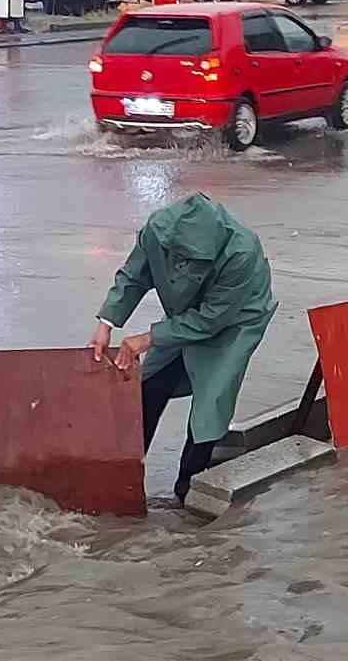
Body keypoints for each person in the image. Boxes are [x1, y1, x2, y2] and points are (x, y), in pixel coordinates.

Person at [88, 193, 276, 502]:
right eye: (175, 255)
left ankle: (189, 490)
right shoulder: (156, 232)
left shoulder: (241, 252)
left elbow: (210, 320)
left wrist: (148, 338)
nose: (180, 264)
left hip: (235, 319)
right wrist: (106, 323)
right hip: (184, 312)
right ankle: (123, 476)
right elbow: (134, 275)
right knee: (149, 384)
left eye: (190, 259)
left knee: (211, 401)